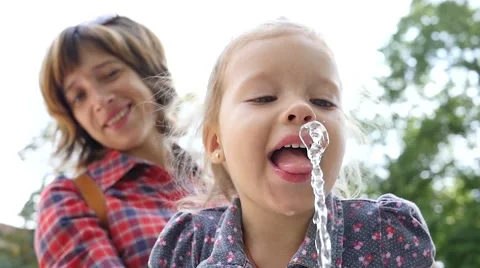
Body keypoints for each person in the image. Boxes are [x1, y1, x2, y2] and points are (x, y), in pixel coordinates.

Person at [149, 19, 436, 268]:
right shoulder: (189, 247)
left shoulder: (387, 236)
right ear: (215, 142)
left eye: (323, 101)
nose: (301, 109)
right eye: (264, 97)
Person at [34, 15, 195, 267]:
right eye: (79, 96)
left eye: (109, 74)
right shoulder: (70, 200)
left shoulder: (220, 177)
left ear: (146, 73)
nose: (99, 100)